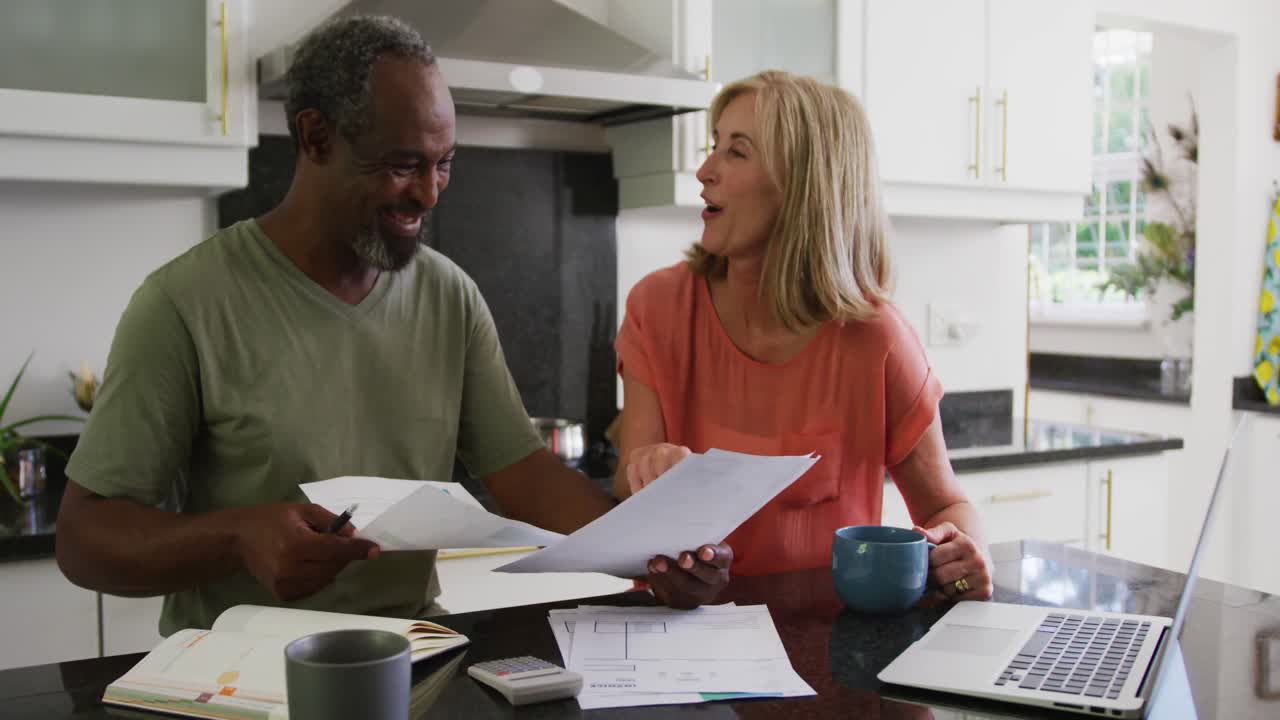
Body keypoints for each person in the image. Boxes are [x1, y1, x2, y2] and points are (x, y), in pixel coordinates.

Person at [54, 15, 730, 635]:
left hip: (409, 659)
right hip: (235, 678)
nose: (429, 193)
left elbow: (523, 473)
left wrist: (657, 552)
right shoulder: (184, 302)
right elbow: (85, 539)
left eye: (443, 165)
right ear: (315, 136)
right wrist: (236, 537)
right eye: (403, 164)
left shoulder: (447, 295)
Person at [613, 70, 994, 601]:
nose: (704, 171)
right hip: (675, 636)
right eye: (713, 146)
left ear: (804, 184)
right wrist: (651, 473)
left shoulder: (878, 339)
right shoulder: (658, 307)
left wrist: (961, 551)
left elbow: (946, 508)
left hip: (828, 647)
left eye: (736, 152)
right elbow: (628, 485)